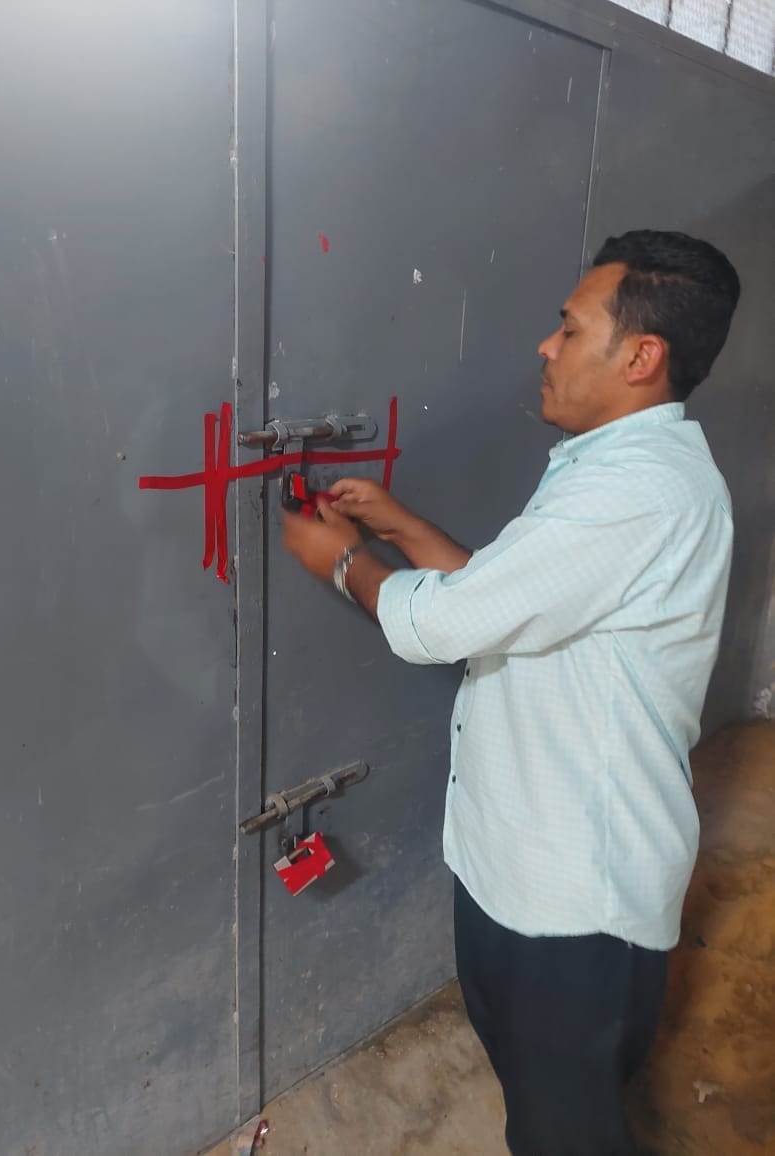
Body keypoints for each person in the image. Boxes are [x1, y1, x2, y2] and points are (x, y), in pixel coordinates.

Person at [282, 230, 740, 1156]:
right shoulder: (606, 464)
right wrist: (402, 527)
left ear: (640, 357)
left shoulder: (636, 491)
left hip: (576, 900)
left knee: (564, 1131)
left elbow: (440, 626)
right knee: (538, 1095)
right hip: (518, 864)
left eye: (569, 329)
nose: (545, 345)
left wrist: (342, 564)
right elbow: (507, 600)